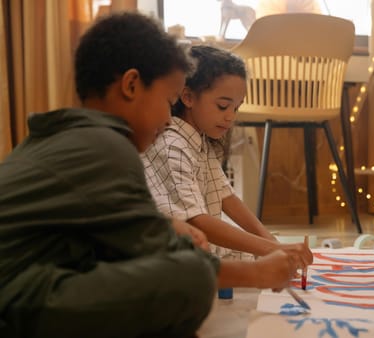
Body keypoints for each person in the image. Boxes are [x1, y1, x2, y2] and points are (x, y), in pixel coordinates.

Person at [0, 12, 308, 338]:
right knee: (188, 277)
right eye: (168, 101)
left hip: (25, 280)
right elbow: (157, 254)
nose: (167, 118)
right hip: (14, 297)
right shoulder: (108, 146)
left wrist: (166, 227)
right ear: (131, 85)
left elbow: (109, 226)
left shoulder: (71, 135)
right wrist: (258, 273)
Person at [142, 45, 312, 261]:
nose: (231, 117)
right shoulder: (172, 145)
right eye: (223, 106)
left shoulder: (198, 138)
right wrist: (269, 249)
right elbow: (196, 220)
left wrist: (271, 241)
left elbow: (226, 196)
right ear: (188, 97)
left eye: (236, 108)